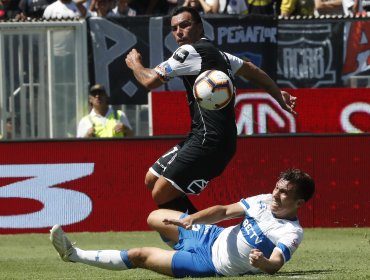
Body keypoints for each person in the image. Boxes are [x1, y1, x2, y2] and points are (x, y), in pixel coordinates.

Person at [124, 6, 297, 214]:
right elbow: (253, 71)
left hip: (209, 141)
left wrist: (135, 65)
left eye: (185, 25)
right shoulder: (221, 55)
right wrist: (278, 94)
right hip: (207, 138)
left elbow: (150, 81)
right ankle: (192, 237)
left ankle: (200, 241)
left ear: (199, 27)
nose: (179, 32)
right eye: (174, 28)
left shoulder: (188, 51)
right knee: (152, 179)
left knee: (161, 193)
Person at [50, 168, 315, 277]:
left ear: (299, 203)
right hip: (209, 236)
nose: (276, 195)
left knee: (140, 256)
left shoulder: (291, 232)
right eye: (277, 188)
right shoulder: (263, 200)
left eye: (284, 193)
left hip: (208, 263)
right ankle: (180, 245)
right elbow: (223, 211)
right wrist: (191, 220)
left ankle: (73, 255)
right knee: (154, 217)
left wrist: (263, 263)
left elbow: (276, 264)